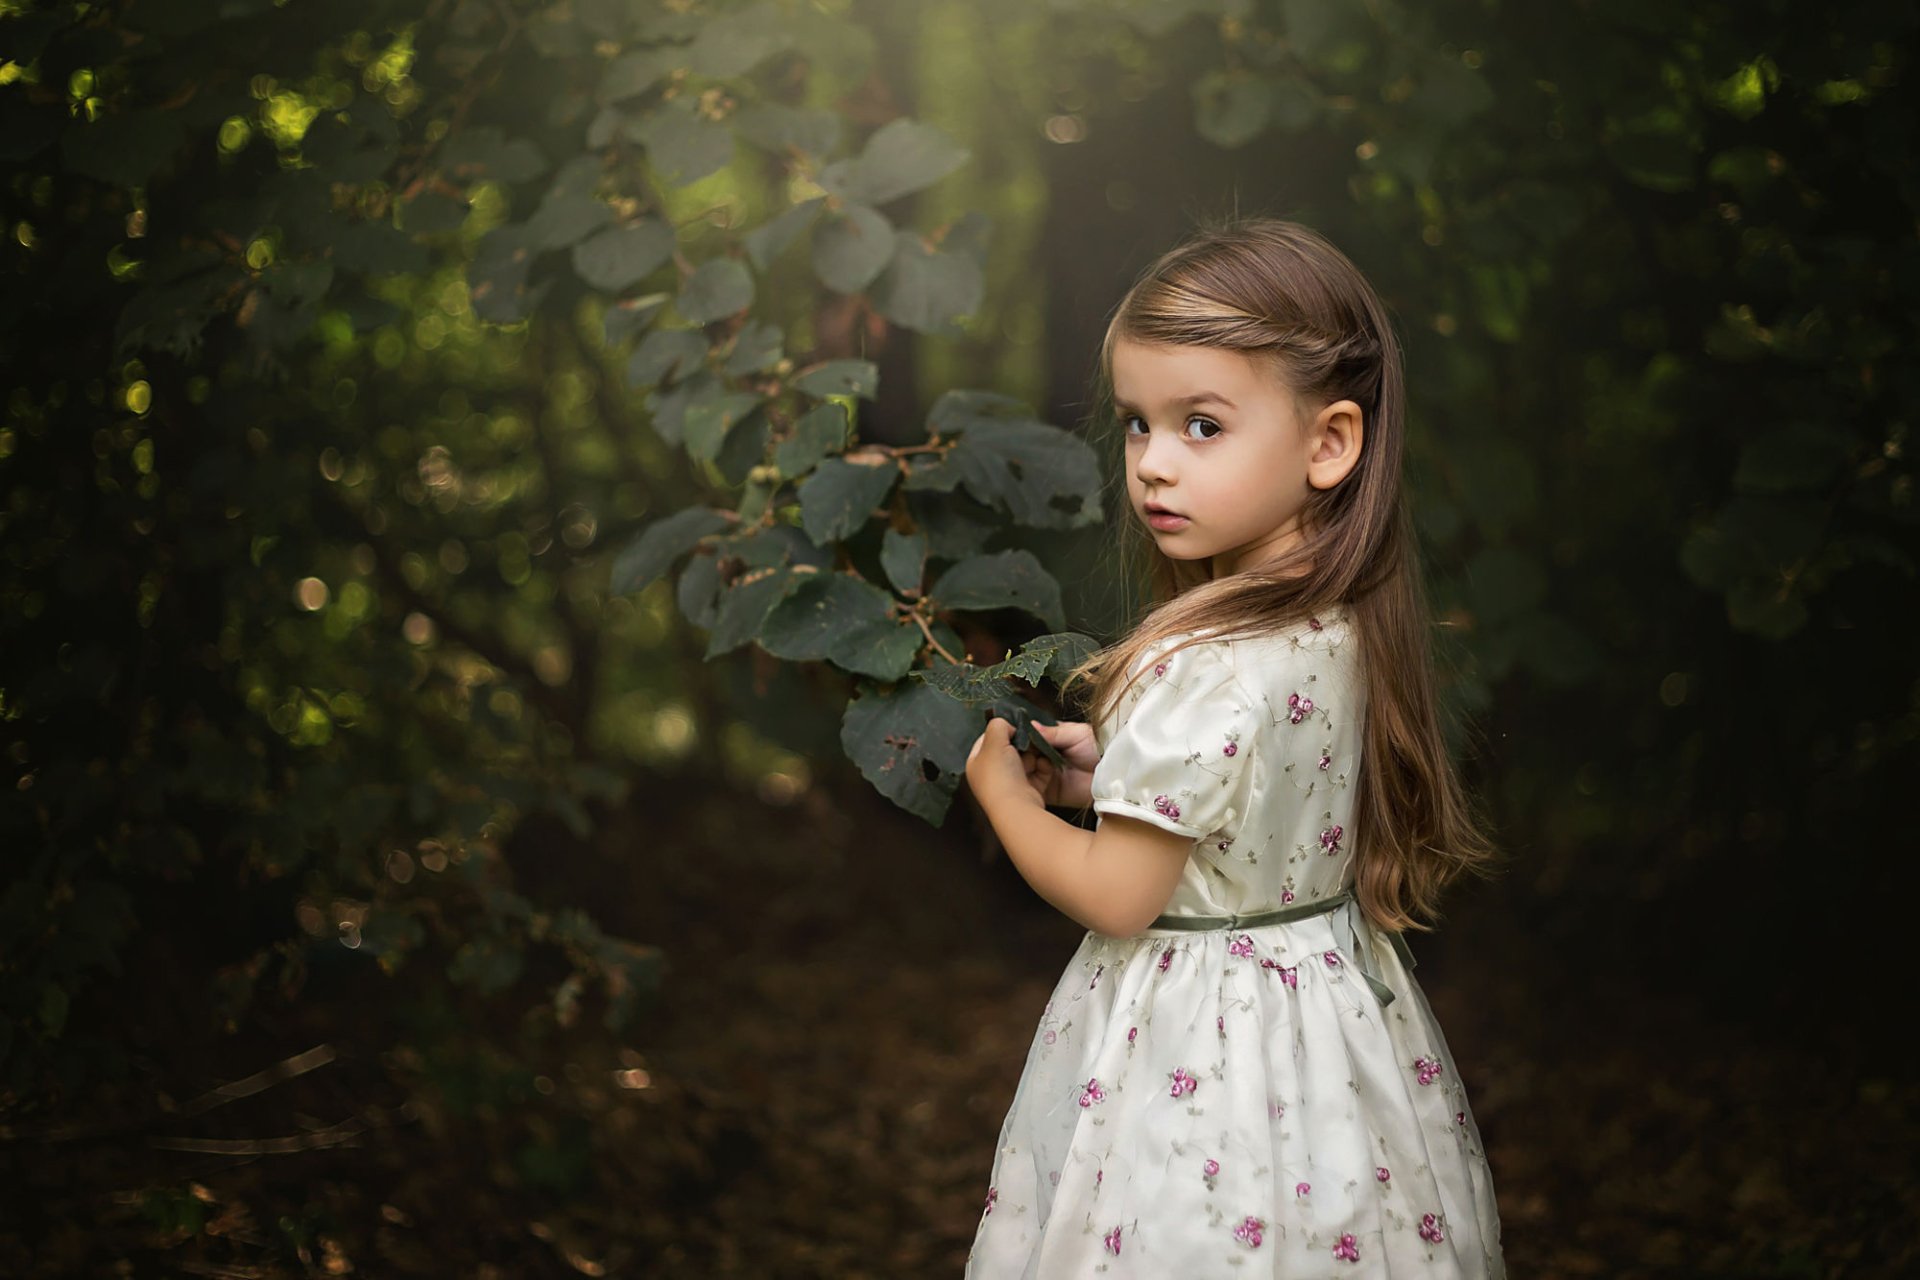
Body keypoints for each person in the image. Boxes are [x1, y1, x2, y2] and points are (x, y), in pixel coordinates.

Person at [960, 216, 1507, 1276]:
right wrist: (1103, 774)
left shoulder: (1199, 656)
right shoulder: (1341, 624)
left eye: (1201, 426)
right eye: (1136, 424)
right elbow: (1257, 804)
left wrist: (1009, 799)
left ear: (1329, 442)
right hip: (1330, 1043)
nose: (1154, 464)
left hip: (1197, 1059)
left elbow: (1121, 893)